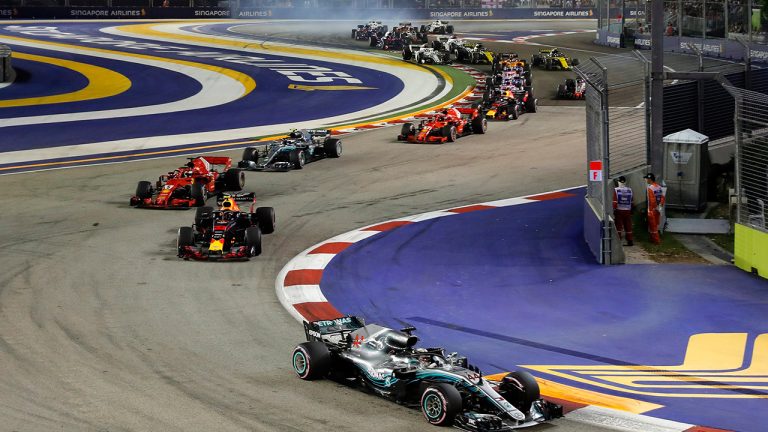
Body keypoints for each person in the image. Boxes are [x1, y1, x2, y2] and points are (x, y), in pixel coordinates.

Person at [644, 173, 665, 245]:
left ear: (649, 179)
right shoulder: (659, 187)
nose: (646, 180)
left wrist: (651, 209)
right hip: (658, 209)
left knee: (653, 227)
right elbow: (662, 197)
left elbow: (652, 201)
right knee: (655, 225)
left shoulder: (650, 188)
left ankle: (656, 241)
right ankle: (652, 239)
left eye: (646, 178)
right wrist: (659, 206)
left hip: (652, 210)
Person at [613, 176, 634, 246]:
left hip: (619, 211)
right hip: (627, 211)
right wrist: (631, 210)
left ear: (618, 182)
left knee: (619, 226)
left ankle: (618, 241)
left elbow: (615, 202)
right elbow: (632, 201)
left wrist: (614, 209)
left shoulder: (616, 190)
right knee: (628, 226)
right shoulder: (630, 190)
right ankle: (630, 240)